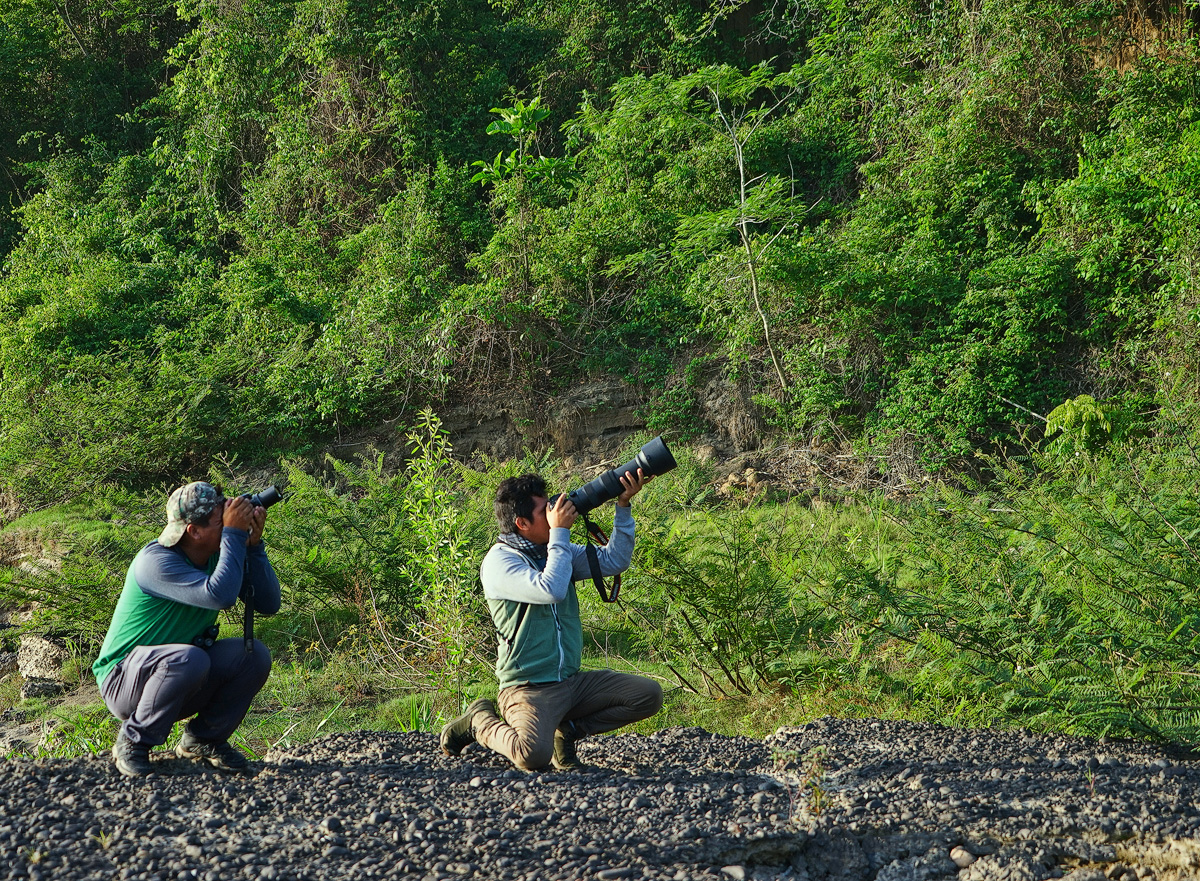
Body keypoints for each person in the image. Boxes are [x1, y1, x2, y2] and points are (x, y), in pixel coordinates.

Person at [440, 469, 663, 771]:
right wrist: (560, 534)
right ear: (521, 524)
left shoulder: (555, 551)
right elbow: (552, 589)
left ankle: (567, 731)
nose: (554, 513)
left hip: (570, 683)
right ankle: (479, 720)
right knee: (531, 756)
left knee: (648, 695)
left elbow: (614, 561)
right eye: (544, 510)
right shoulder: (500, 562)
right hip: (527, 688)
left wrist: (623, 504)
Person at [92, 481, 281, 777]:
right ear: (194, 531)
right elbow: (219, 595)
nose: (233, 523)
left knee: (253, 656)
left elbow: (269, 604)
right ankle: (132, 741)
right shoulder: (155, 562)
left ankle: (203, 740)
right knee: (191, 658)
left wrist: (253, 548)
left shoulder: (218, 552)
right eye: (224, 520)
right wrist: (233, 535)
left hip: (180, 672)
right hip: (124, 681)